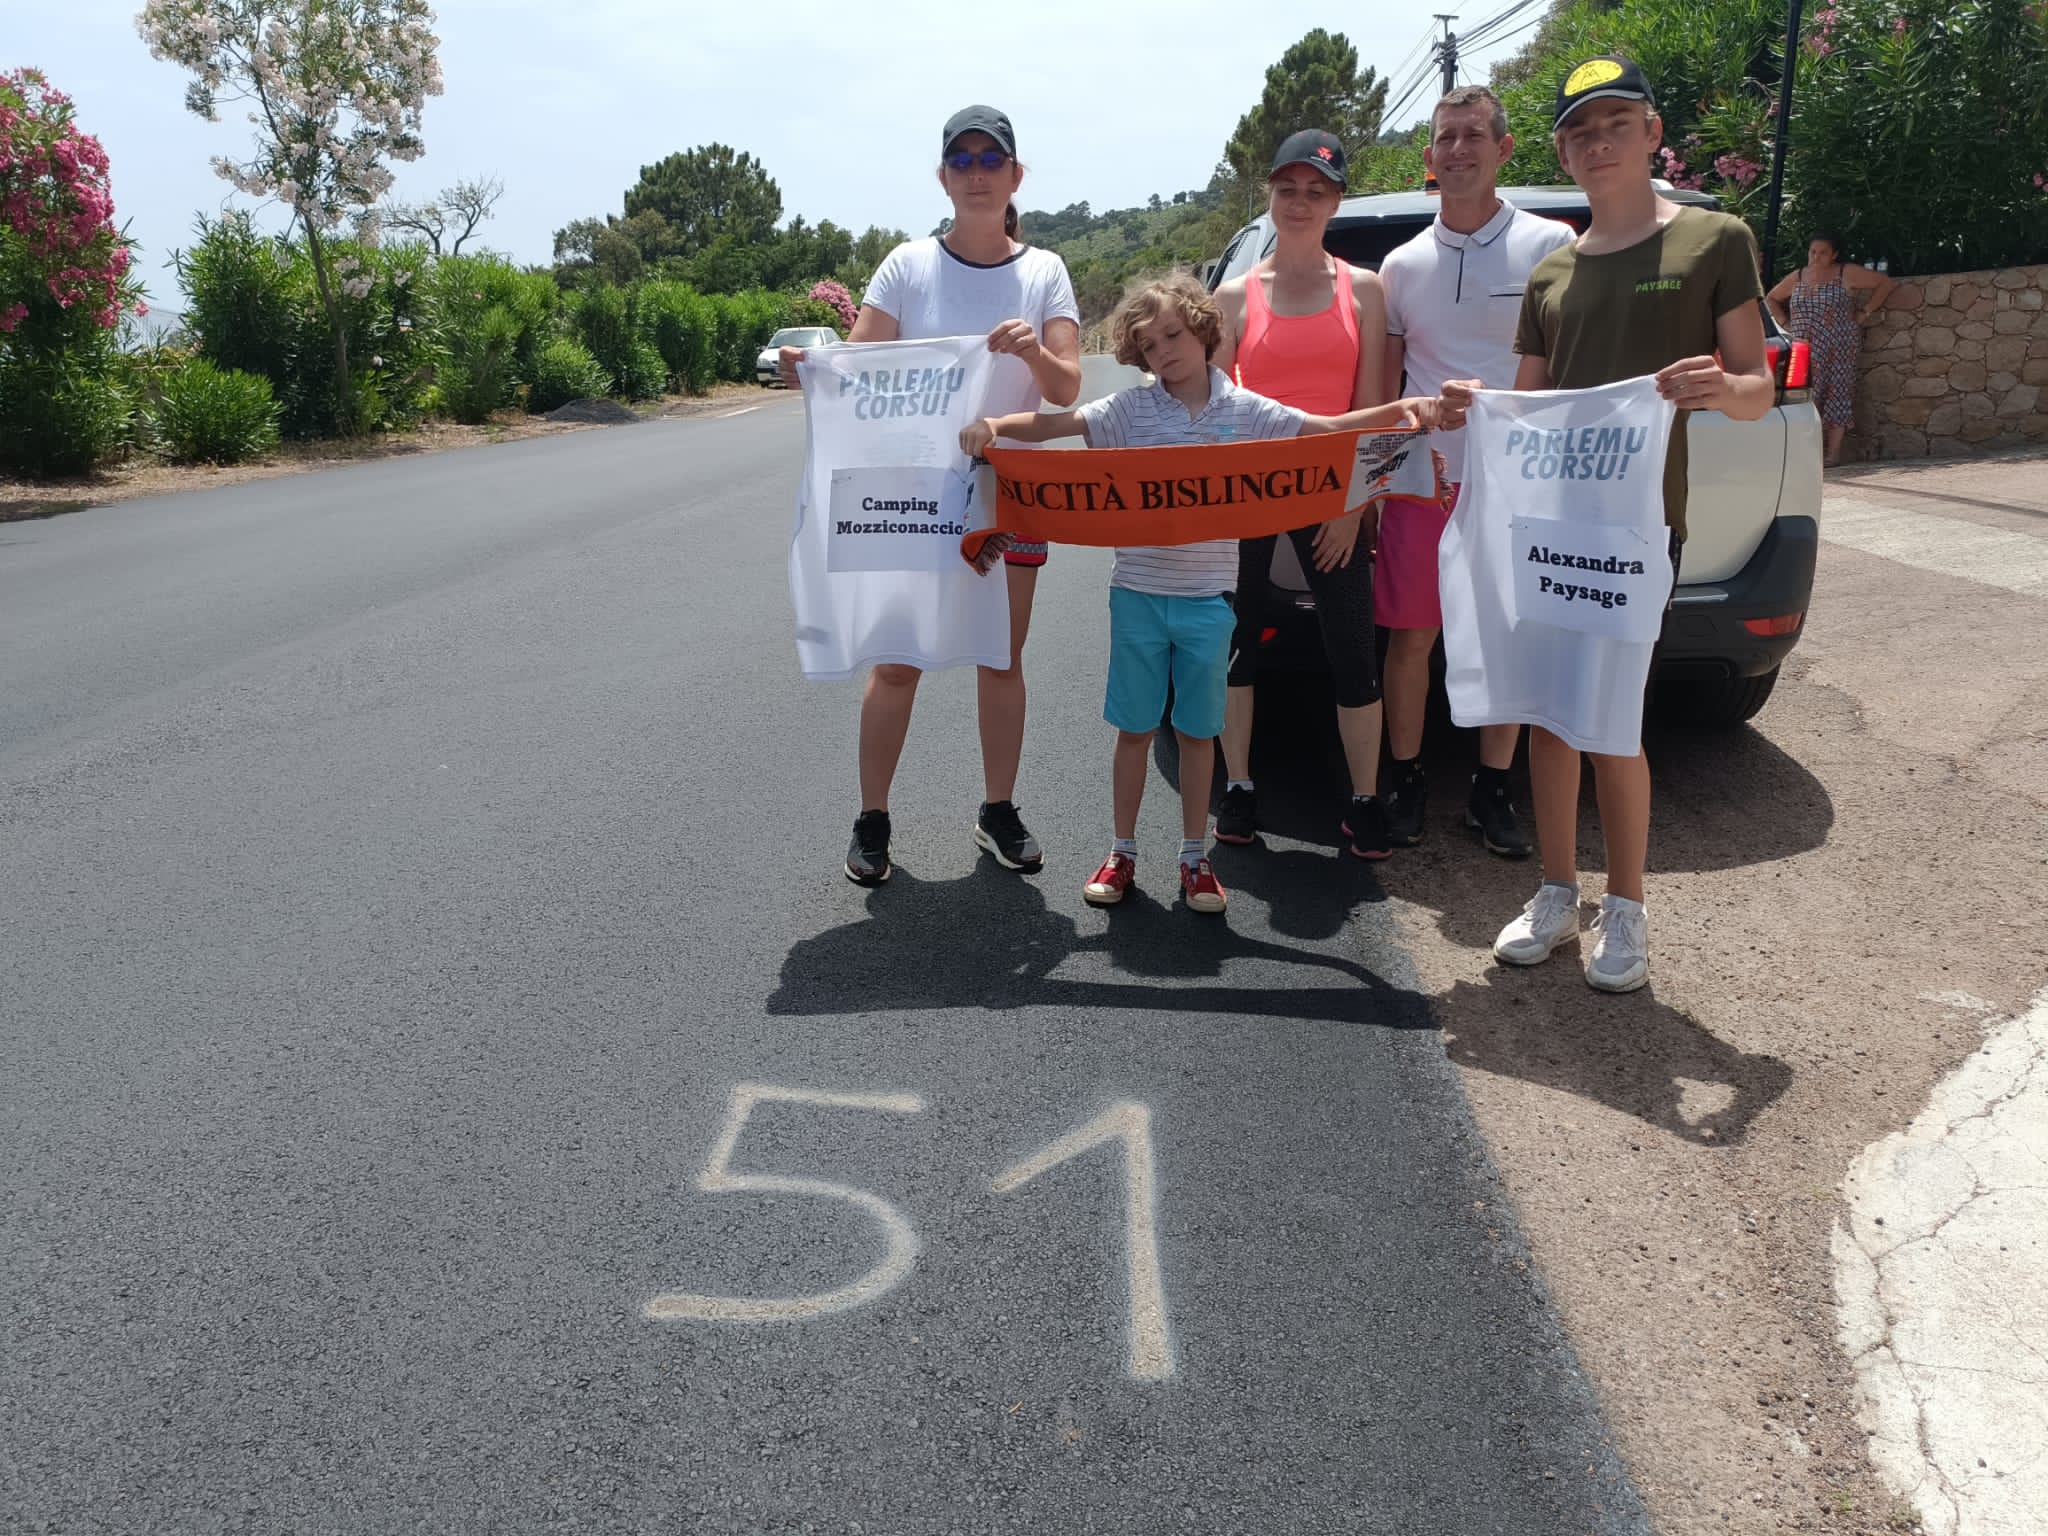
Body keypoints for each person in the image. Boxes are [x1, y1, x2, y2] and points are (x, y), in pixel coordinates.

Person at [959, 273, 1470, 915]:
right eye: (1149, 345)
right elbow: (1056, 424)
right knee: (1135, 731)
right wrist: (996, 425)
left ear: (1202, 330)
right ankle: (1122, 851)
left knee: (1197, 735)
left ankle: (1195, 857)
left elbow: (1328, 427)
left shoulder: (1246, 409)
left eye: (1173, 335)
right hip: (1138, 597)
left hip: (1209, 602)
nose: (1164, 352)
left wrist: (1405, 411)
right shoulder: (1129, 410)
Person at [1491, 56, 1773, 992]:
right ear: (1563, 152)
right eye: (1580, 130)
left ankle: (1627, 907)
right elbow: (1525, 410)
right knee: (1549, 719)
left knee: (1613, 722)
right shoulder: (1552, 271)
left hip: (1641, 529)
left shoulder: (1714, 239)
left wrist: (1720, 386)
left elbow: (1757, 388)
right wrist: (1465, 412)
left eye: (1616, 124)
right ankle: (1555, 891)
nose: (1598, 142)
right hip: (1551, 531)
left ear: (1652, 133)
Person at [780, 106, 1082, 888]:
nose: (978, 173)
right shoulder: (907, 266)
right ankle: (872, 818)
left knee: (1001, 658)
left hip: (1012, 496)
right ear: (944, 177)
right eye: (963, 160)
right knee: (897, 662)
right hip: (915, 499)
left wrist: (1033, 354)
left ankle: (998, 810)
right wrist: (811, 371)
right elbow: (859, 369)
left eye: (992, 160)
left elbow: (1066, 388)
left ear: (1015, 176)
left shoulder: (1045, 272)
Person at [1376, 85, 1575, 858]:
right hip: (1422, 483)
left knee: (1504, 642)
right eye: (1446, 138)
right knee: (1411, 642)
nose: (1457, 149)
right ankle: (1407, 778)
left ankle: (1492, 789)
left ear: (1504, 148)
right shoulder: (1400, 266)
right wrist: (1393, 459)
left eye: (1472, 135)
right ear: (1429, 156)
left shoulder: (1551, 244)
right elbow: (1388, 390)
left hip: (1517, 484)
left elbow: (1567, 369)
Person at [1209, 131, 1395, 860]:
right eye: (1287, 189)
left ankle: (1364, 800)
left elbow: (1373, 409)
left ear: (1335, 201)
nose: (1299, 202)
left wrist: (1355, 507)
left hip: (1334, 494)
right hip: (1249, 496)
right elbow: (1216, 414)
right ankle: (1239, 786)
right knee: (1239, 646)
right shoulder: (1233, 297)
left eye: (1316, 191)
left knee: (1353, 651)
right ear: (1270, 195)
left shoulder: (1364, 290)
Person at [1766, 233, 1895, 465]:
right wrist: (1786, 324)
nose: (1816, 257)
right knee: (1806, 396)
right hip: (1805, 348)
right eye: (1813, 252)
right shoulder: (1798, 276)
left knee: (1838, 394)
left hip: (1840, 345)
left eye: (1823, 252)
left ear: (1834, 255)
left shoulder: (1846, 273)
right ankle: (1808, 452)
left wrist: (1865, 312)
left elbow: (1885, 283)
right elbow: (1772, 298)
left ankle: (1833, 454)